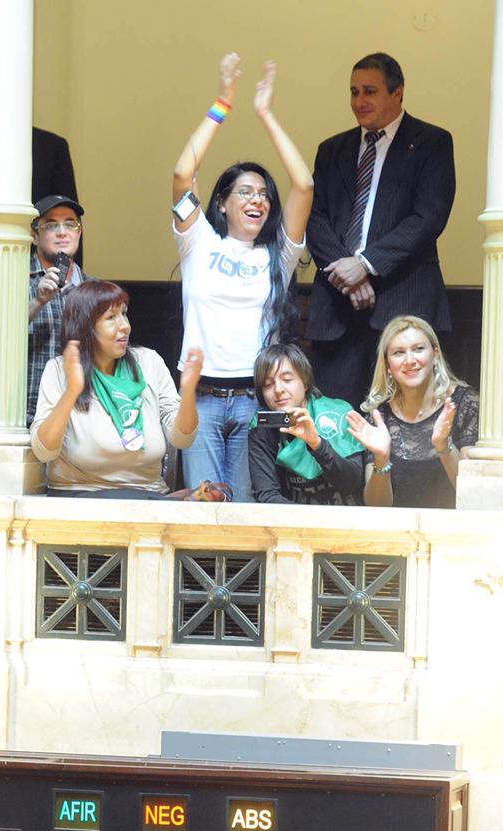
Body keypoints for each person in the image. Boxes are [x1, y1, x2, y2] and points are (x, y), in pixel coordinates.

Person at [171, 53, 313, 501]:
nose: (259, 200)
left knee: (249, 514)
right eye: (245, 192)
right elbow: (182, 173)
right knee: (201, 509)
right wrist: (222, 104)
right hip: (201, 399)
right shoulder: (198, 242)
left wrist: (267, 115)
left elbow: (304, 186)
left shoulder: (279, 256)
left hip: (256, 401)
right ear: (222, 204)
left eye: (264, 195)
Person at [306, 52, 456, 411]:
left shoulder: (432, 142)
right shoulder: (332, 150)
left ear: (397, 93)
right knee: (335, 424)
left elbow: (428, 218)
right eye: (354, 91)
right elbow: (313, 217)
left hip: (403, 300)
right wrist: (350, 271)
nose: (359, 101)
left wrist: (367, 263)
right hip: (338, 307)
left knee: (402, 420)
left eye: (369, 91)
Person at [30, 280, 203, 498]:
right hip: (79, 498)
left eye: (124, 314)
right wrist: (72, 392)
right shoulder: (59, 370)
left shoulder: (149, 362)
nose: (125, 326)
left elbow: (182, 440)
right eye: (111, 318)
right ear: (85, 327)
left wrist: (188, 392)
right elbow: (44, 451)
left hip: (147, 496)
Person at [346, 315, 478, 508]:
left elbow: (473, 494)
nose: (410, 360)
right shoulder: (379, 416)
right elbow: (377, 507)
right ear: (388, 365)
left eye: (418, 349)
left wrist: (443, 445)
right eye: (399, 353)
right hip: (397, 533)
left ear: (435, 354)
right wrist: (381, 459)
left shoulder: (465, 403)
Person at [249, 342, 374, 506]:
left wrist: (317, 444)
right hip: (294, 523)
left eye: (287, 379)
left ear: (305, 381)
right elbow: (266, 495)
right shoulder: (262, 426)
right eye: (268, 384)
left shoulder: (336, 413)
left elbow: (351, 483)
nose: (278, 389)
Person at [27, 195, 90, 425]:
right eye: (51, 225)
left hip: (81, 418)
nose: (62, 232)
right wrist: (38, 301)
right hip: (28, 414)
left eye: (70, 224)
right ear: (34, 235)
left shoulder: (94, 289)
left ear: (79, 232)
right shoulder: (14, 279)